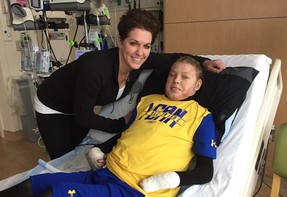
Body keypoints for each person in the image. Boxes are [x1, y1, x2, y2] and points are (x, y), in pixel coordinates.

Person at [0, 56, 217, 197]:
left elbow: (205, 172)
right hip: (104, 174)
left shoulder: (201, 117)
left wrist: (169, 179)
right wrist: (99, 150)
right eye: (172, 74)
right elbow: (127, 135)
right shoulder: (148, 101)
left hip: (134, 193)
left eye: (185, 77)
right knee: (33, 186)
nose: (176, 80)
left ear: (197, 85)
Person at [34, 8, 225, 159]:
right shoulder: (95, 69)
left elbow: (175, 57)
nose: (139, 52)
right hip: (52, 105)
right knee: (62, 157)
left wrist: (205, 62)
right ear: (120, 41)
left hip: (78, 105)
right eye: (133, 43)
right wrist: (122, 123)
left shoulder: (142, 61)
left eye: (146, 45)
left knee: (76, 149)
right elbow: (84, 117)